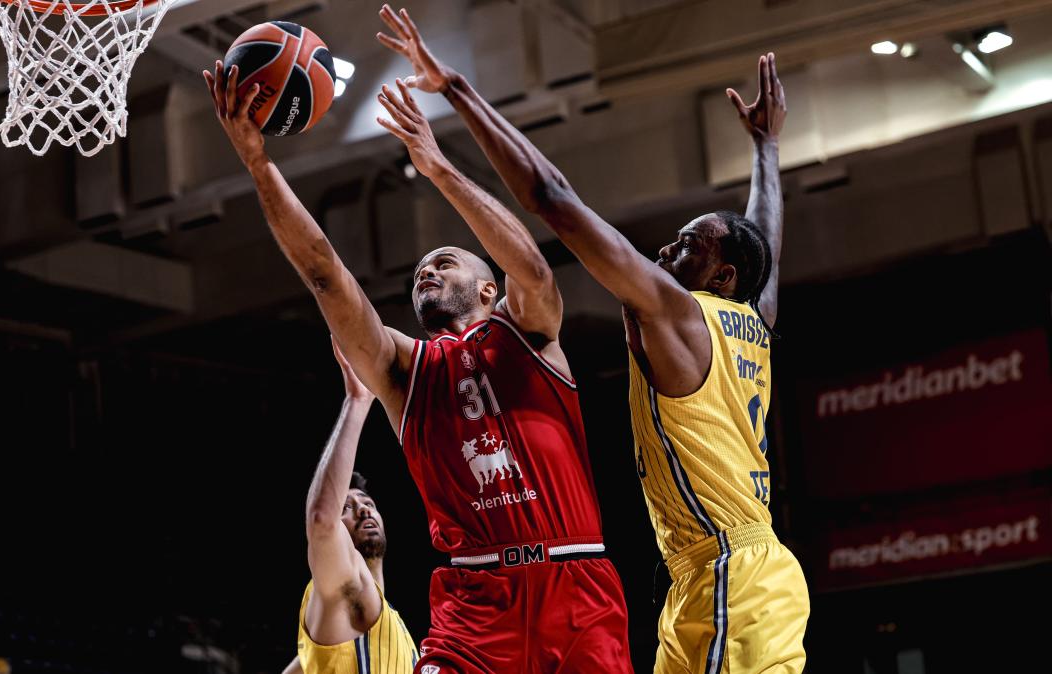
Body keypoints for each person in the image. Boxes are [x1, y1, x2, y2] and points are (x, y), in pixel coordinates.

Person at [376, 5, 809, 672]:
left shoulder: (678, 312)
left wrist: (458, 91)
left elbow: (552, 195)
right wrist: (765, 150)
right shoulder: (750, 318)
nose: (668, 248)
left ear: (718, 275)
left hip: (733, 572)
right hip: (704, 576)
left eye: (687, 245)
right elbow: (763, 255)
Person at [203, 50, 633, 673]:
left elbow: (533, 268)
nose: (427, 269)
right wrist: (257, 163)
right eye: (420, 269)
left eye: (445, 261)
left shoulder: (532, 337)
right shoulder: (404, 371)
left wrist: (436, 169)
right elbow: (325, 274)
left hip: (576, 584)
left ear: (489, 291)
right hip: (475, 604)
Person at [282, 339, 418, 674]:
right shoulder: (342, 586)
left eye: (368, 502)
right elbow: (321, 521)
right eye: (347, 506)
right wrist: (357, 401)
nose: (363, 510)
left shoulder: (376, 623)